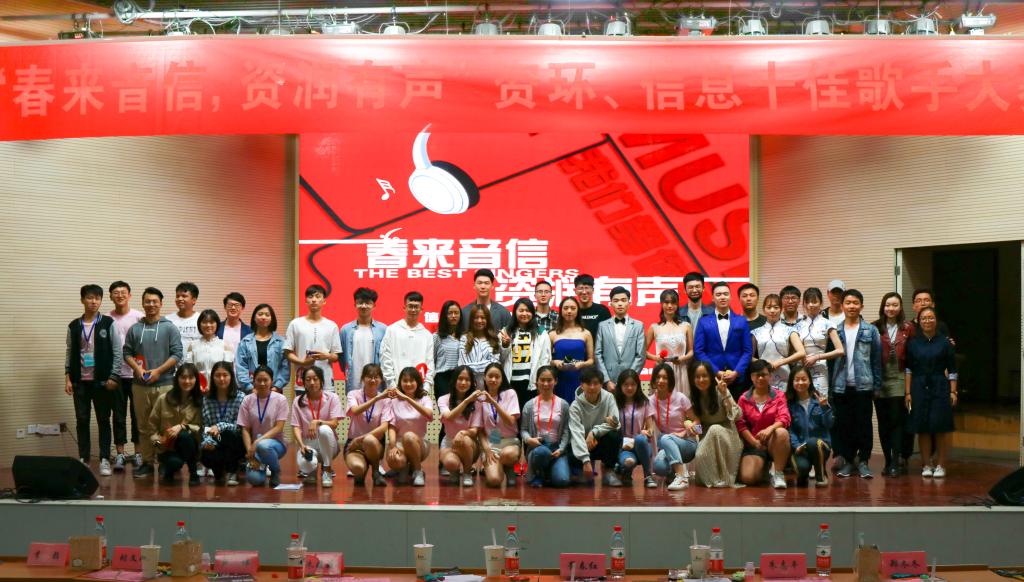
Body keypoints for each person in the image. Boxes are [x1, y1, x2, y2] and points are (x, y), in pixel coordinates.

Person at [122, 287, 184, 479]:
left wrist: (158, 371)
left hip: (165, 384)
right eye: (147, 301)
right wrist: (137, 369)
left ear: (161, 304)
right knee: (143, 426)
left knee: (166, 425)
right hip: (140, 386)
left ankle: (165, 462)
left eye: (154, 301)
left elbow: (177, 354)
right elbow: (127, 353)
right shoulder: (135, 329)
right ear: (143, 303)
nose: (151, 304)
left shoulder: (169, 328)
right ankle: (147, 463)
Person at [65, 284, 124, 476]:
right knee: (82, 420)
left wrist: (114, 376)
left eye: (97, 298)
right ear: (82, 300)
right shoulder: (74, 325)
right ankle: (84, 459)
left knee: (103, 420)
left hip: (102, 383)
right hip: (80, 382)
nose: (93, 301)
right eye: (90, 298)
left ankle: (105, 458)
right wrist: (67, 377)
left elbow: (117, 352)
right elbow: (69, 352)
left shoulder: (108, 323)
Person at [832, 289, 883, 480]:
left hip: (864, 386)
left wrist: (877, 385)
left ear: (861, 306)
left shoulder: (871, 330)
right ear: (842, 306)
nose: (851, 306)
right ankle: (848, 461)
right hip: (841, 386)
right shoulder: (835, 330)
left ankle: (863, 461)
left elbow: (876, 360)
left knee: (864, 425)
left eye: (855, 303)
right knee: (844, 425)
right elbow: (831, 362)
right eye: (848, 303)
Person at [905, 307, 958, 479]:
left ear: (936, 320)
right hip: (918, 386)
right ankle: (926, 464)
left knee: (940, 426)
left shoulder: (945, 342)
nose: (927, 321)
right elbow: (908, 369)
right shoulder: (913, 343)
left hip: (940, 385)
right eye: (924, 318)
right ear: (919, 321)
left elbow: (952, 369)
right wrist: (908, 392)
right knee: (923, 428)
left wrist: (953, 391)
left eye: (930, 318)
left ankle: (941, 465)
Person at [873, 292, 916, 477]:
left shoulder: (908, 328)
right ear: (883, 307)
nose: (891, 308)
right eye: (888, 305)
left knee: (897, 420)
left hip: (899, 376)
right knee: (883, 422)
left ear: (900, 307)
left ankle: (896, 461)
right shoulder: (874, 327)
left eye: (895, 305)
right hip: (879, 377)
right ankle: (887, 460)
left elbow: (913, 354)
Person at [736, 359, 792, 489]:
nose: (760, 378)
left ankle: (778, 474)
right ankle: (765, 469)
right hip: (754, 443)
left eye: (764, 374)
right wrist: (754, 443)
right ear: (751, 377)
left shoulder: (779, 395)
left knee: (782, 432)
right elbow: (740, 424)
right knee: (748, 478)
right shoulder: (743, 398)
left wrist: (770, 429)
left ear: (770, 376)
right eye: (757, 375)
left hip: (774, 442)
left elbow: (784, 418)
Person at [689, 360, 743, 488]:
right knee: (700, 455)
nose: (701, 380)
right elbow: (698, 427)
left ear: (711, 377)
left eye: (704, 376)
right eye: (697, 377)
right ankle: (714, 480)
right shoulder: (693, 397)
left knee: (715, 429)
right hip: (706, 436)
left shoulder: (721, 390)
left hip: (728, 434)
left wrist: (725, 395)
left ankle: (723, 479)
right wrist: (691, 426)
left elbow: (737, 415)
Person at [568, 366, 623, 487]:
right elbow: (576, 434)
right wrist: (585, 460)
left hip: (601, 442)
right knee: (571, 444)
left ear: (601, 385)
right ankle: (581, 471)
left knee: (614, 434)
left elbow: (616, 423)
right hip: (584, 443)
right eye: (588, 383)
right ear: (582, 385)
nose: (592, 387)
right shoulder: (575, 406)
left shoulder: (609, 398)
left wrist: (594, 432)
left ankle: (608, 471)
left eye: (596, 383)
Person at [149, 363, 203, 485]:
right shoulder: (163, 399)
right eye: (183, 377)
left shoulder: (199, 401)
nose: (187, 381)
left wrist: (182, 426)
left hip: (190, 446)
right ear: (177, 379)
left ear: (196, 380)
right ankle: (168, 470)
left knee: (185, 436)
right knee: (174, 463)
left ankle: (193, 474)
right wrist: (159, 442)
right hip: (167, 447)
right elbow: (151, 428)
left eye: (191, 377)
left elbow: (200, 427)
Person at [693, 281, 753, 391]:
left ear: (730, 297)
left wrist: (736, 372)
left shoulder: (742, 321)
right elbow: (699, 351)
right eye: (718, 294)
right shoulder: (703, 322)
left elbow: (747, 351)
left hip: (737, 378)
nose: (722, 297)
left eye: (725, 294)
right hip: (712, 377)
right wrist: (716, 371)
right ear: (712, 298)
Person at [291, 366, 344, 488]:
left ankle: (327, 469)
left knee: (324, 429)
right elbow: (296, 427)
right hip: (308, 444)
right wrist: (301, 445)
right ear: (304, 383)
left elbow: (334, 423)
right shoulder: (298, 401)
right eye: (308, 379)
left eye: (315, 379)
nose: (312, 382)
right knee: (306, 465)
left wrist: (318, 422)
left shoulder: (332, 397)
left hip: (329, 443)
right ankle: (312, 472)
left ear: (321, 381)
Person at [108, 280, 142, 471]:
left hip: (136, 374)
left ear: (129, 295)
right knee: (118, 415)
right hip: (116, 374)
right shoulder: (106, 319)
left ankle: (138, 453)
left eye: (123, 292)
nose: (120, 295)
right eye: (116, 292)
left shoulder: (139, 317)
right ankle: (120, 454)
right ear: (111, 296)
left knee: (137, 415)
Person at [650, 363, 700, 490]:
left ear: (671, 380)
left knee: (665, 438)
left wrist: (684, 433)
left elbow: (699, 424)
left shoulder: (680, 398)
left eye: (665, 378)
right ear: (654, 379)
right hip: (666, 443)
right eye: (658, 377)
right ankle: (674, 473)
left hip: (687, 443)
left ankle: (681, 477)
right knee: (659, 467)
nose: (661, 381)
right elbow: (648, 427)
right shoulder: (650, 401)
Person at [284, 284, 342, 395]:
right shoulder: (295, 324)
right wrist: (302, 362)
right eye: (310, 297)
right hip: (302, 381)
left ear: (324, 301)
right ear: (306, 301)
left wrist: (326, 356)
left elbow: (336, 356)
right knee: (302, 406)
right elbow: (287, 352)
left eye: (318, 296)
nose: (314, 300)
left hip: (326, 381)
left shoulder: (332, 325)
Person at [520, 365, 571, 488]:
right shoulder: (529, 405)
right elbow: (523, 430)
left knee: (562, 480)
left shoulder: (563, 404)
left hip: (556, 449)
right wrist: (528, 439)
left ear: (556, 381)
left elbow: (566, 431)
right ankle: (538, 473)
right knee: (541, 452)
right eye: (542, 380)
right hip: (537, 448)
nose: (546, 384)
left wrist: (561, 449)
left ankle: (548, 471)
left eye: (549, 380)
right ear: (537, 381)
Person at [238, 365, 289, 487]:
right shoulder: (247, 400)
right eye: (258, 380)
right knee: (254, 480)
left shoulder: (280, 399)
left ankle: (275, 471)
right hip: (255, 448)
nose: (262, 383)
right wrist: (250, 454)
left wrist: (257, 442)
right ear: (253, 381)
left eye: (265, 380)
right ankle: (262, 464)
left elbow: (279, 427)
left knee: (263, 445)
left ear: (272, 381)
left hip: (276, 444)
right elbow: (245, 428)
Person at [383, 367, 435, 486]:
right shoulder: (393, 401)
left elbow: (429, 415)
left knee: (409, 437)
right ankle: (404, 468)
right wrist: (392, 446)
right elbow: (392, 427)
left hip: (419, 443)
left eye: (412, 381)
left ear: (418, 382)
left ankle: (418, 470)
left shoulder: (425, 399)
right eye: (405, 381)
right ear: (400, 382)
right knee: (395, 460)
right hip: (399, 443)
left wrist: (407, 398)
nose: (408, 384)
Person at [786, 365, 833, 487]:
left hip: (821, 445)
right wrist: (796, 445)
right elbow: (790, 430)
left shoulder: (819, 400)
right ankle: (803, 474)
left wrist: (825, 408)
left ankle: (821, 476)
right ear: (792, 382)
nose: (800, 382)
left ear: (810, 381)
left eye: (804, 379)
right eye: (797, 379)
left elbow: (829, 424)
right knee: (801, 470)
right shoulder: (789, 404)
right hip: (801, 448)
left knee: (812, 442)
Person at [199, 361, 245, 486]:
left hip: (235, 440)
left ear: (231, 377)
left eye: (225, 375)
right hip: (215, 440)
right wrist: (208, 442)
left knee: (228, 434)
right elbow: (205, 426)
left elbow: (239, 426)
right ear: (212, 378)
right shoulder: (207, 399)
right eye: (217, 375)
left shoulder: (241, 397)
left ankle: (232, 471)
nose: (221, 379)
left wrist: (219, 426)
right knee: (205, 453)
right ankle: (218, 469)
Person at [380, 291, 435, 393]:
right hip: (396, 389)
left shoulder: (427, 335)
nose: (413, 310)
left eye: (416, 307)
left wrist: (426, 387)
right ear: (404, 307)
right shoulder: (392, 330)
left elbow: (430, 362)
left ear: (421, 309)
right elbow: (385, 358)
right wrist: (392, 385)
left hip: (419, 390)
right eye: (410, 306)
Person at [345, 363, 390, 487]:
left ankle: (375, 471)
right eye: (369, 377)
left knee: (369, 440)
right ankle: (361, 472)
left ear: (381, 380)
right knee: (358, 469)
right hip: (355, 446)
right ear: (362, 378)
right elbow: (355, 411)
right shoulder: (353, 394)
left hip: (374, 444)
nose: (373, 380)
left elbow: (384, 427)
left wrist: (361, 438)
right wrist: (376, 399)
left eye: (376, 377)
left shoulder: (386, 400)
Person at [437, 365, 483, 487]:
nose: (463, 382)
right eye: (460, 379)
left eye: (467, 380)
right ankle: (454, 471)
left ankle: (467, 473)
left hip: (470, 444)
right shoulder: (443, 399)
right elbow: (449, 416)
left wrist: (462, 433)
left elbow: (474, 431)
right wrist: (466, 401)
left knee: (465, 439)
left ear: (472, 383)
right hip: (449, 442)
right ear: (454, 380)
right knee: (450, 462)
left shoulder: (477, 402)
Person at [478, 363, 522, 488]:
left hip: (510, 442)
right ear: (484, 377)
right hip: (492, 442)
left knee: (509, 454)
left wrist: (493, 402)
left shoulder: (510, 393)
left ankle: (509, 468)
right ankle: (500, 468)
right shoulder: (480, 399)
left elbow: (510, 421)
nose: (493, 380)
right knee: (494, 481)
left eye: (497, 377)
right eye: (490, 376)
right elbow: (480, 430)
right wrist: (487, 449)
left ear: (502, 379)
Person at [751, 294, 806, 392]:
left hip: (784, 375)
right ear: (763, 310)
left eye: (776, 307)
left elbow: (801, 352)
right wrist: (764, 364)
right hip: (762, 375)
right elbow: (748, 357)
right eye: (769, 307)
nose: (772, 311)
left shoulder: (790, 330)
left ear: (781, 309)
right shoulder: (756, 332)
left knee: (784, 400)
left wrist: (781, 362)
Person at [797, 288, 845, 397]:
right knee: (802, 401)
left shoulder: (828, 323)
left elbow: (840, 350)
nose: (811, 305)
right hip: (801, 369)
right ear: (804, 304)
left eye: (814, 301)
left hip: (820, 369)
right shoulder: (798, 325)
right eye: (808, 302)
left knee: (820, 401)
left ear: (821, 303)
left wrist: (816, 357)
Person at [645, 289, 694, 397]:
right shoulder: (654, 327)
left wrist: (682, 358)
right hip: (661, 371)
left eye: (673, 302)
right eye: (666, 302)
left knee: (681, 403)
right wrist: (656, 358)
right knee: (660, 403)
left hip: (680, 370)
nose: (670, 306)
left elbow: (691, 351)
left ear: (677, 304)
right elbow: (643, 352)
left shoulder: (686, 326)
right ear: (661, 304)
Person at [595, 286, 645, 393]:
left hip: (631, 382)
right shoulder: (602, 326)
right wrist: (606, 380)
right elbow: (598, 354)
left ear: (629, 303)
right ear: (611, 303)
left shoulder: (638, 326)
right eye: (616, 301)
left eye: (623, 300)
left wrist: (629, 378)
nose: (620, 304)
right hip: (608, 381)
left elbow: (640, 355)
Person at [504, 297, 552, 406]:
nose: (524, 313)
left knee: (530, 411)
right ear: (515, 312)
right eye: (521, 310)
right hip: (510, 380)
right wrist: (505, 345)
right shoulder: (506, 331)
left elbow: (545, 359)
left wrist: (541, 380)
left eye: (528, 311)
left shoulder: (541, 332)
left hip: (531, 382)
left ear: (533, 313)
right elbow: (500, 357)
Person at [612, 369, 656, 488]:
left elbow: (651, 429)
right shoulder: (614, 403)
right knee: (629, 462)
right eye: (626, 384)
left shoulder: (645, 402)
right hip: (624, 447)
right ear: (620, 386)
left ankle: (648, 476)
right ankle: (625, 471)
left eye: (633, 384)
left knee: (640, 439)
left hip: (641, 445)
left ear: (638, 385)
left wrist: (647, 432)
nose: (630, 388)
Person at [339, 287, 387, 394]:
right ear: (355, 304)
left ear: (374, 305)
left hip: (376, 382)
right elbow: (341, 358)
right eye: (360, 302)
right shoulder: (345, 330)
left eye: (368, 303)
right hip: (353, 380)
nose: (364, 306)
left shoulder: (383, 329)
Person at [235, 304, 290, 393]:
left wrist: (276, 387)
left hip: (274, 390)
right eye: (260, 314)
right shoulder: (245, 342)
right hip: (251, 390)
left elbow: (285, 367)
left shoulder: (280, 342)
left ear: (272, 319)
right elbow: (241, 367)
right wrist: (250, 388)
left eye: (267, 315)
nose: (263, 317)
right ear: (254, 318)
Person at [549, 296, 594, 403]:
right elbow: (546, 359)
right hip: (558, 380)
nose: (569, 311)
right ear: (561, 311)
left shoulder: (586, 333)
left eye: (573, 308)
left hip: (580, 380)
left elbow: (591, 360)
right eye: (566, 308)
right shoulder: (552, 334)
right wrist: (555, 362)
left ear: (578, 311)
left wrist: (582, 364)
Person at [459, 304, 507, 384]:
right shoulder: (464, 339)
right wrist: (488, 363)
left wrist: (471, 366)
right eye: (476, 317)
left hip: (490, 384)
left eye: (483, 318)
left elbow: (495, 364)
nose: (479, 320)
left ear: (487, 320)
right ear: (471, 320)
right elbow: (463, 366)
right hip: (469, 385)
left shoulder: (494, 339)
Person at [186, 309, 233, 388]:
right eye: (204, 322)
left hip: (218, 388)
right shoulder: (192, 346)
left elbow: (228, 372)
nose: (208, 325)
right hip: (198, 388)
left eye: (211, 322)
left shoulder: (225, 345)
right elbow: (189, 371)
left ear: (217, 324)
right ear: (199, 324)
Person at [165, 282, 201, 356]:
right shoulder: (168, 320)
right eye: (177, 296)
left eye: (184, 296)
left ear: (194, 300)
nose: (180, 299)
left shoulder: (201, 319)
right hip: (172, 362)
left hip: (195, 362)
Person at [573, 274, 611, 339]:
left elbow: (608, 335)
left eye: (587, 288)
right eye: (581, 288)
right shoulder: (571, 311)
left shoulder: (602, 310)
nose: (584, 292)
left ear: (593, 290)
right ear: (575, 291)